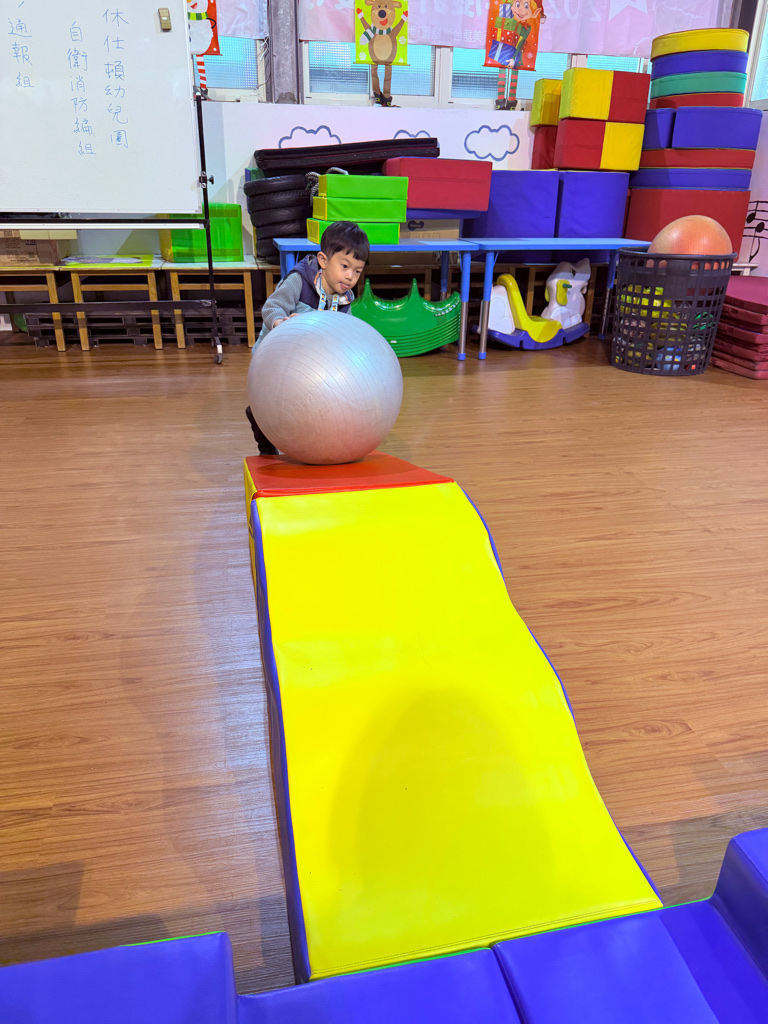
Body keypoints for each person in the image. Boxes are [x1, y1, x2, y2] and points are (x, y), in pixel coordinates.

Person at [246, 221, 370, 455]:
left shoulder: (344, 299)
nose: (350, 276)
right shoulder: (299, 281)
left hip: (309, 363)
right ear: (323, 260)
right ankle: (263, 435)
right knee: (272, 403)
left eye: (357, 271)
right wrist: (282, 324)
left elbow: (344, 330)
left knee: (306, 403)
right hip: (275, 357)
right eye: (344, 266)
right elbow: (272, 307)